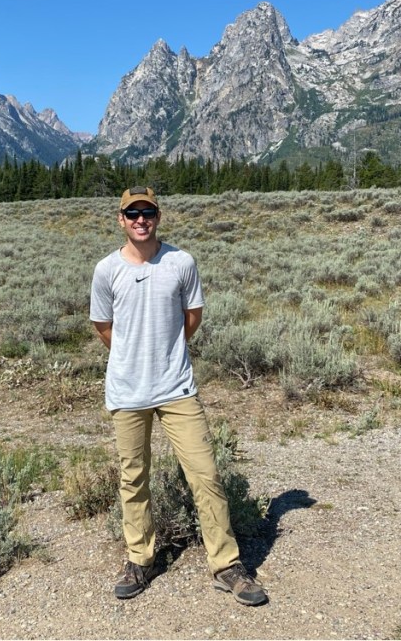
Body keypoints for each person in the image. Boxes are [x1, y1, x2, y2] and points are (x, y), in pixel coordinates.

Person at [89, 186, 268, 606]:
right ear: (120, 219)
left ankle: (226, 565)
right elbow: (102, 326)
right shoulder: (106, 270)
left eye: (147, 211)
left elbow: (193, 317)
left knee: (205, 473)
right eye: (131, 213)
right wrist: (134, 355)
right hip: (128, 390)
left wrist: (165, 352)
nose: (140, 219)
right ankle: (141, 558)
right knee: (133, 479)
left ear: (158, 216)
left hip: (177, 387)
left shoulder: (181, 262)